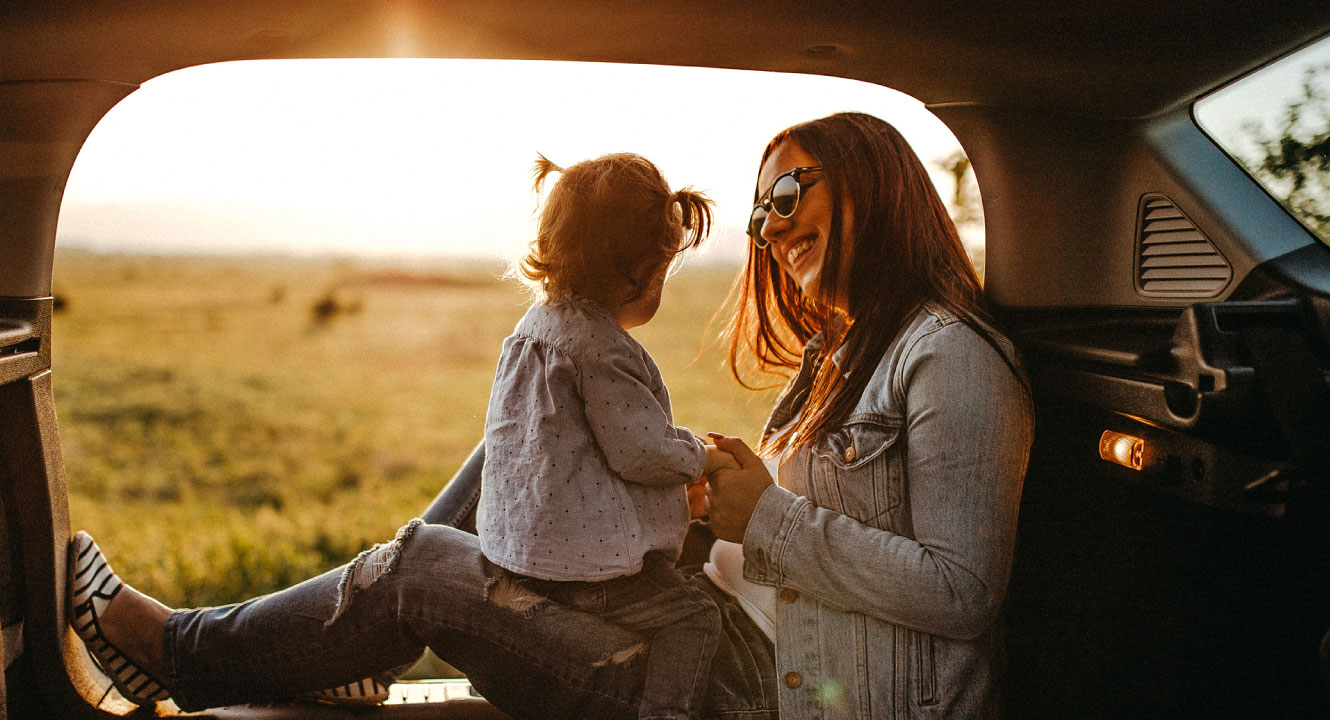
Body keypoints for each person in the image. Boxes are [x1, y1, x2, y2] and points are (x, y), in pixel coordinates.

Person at [71, 111, 1032, 719]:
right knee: (517, 447)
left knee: (418, 568)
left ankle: (186, 654)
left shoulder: (949, 357)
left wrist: (763, 515)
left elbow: (963, 594)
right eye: (760, 210)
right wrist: (712, 497)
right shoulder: (850, 351)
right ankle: (343, 642)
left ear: (883, 189)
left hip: (735, 687)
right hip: (708, 622)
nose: (770, 226)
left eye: (789, 193)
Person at [478, 152, 737, 720]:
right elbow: (641, 451)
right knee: (694, 618)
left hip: (522, 555)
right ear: (638, 271)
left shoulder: (530, 331)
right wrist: (704, 458)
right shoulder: (603, 349)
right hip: (586, 575)